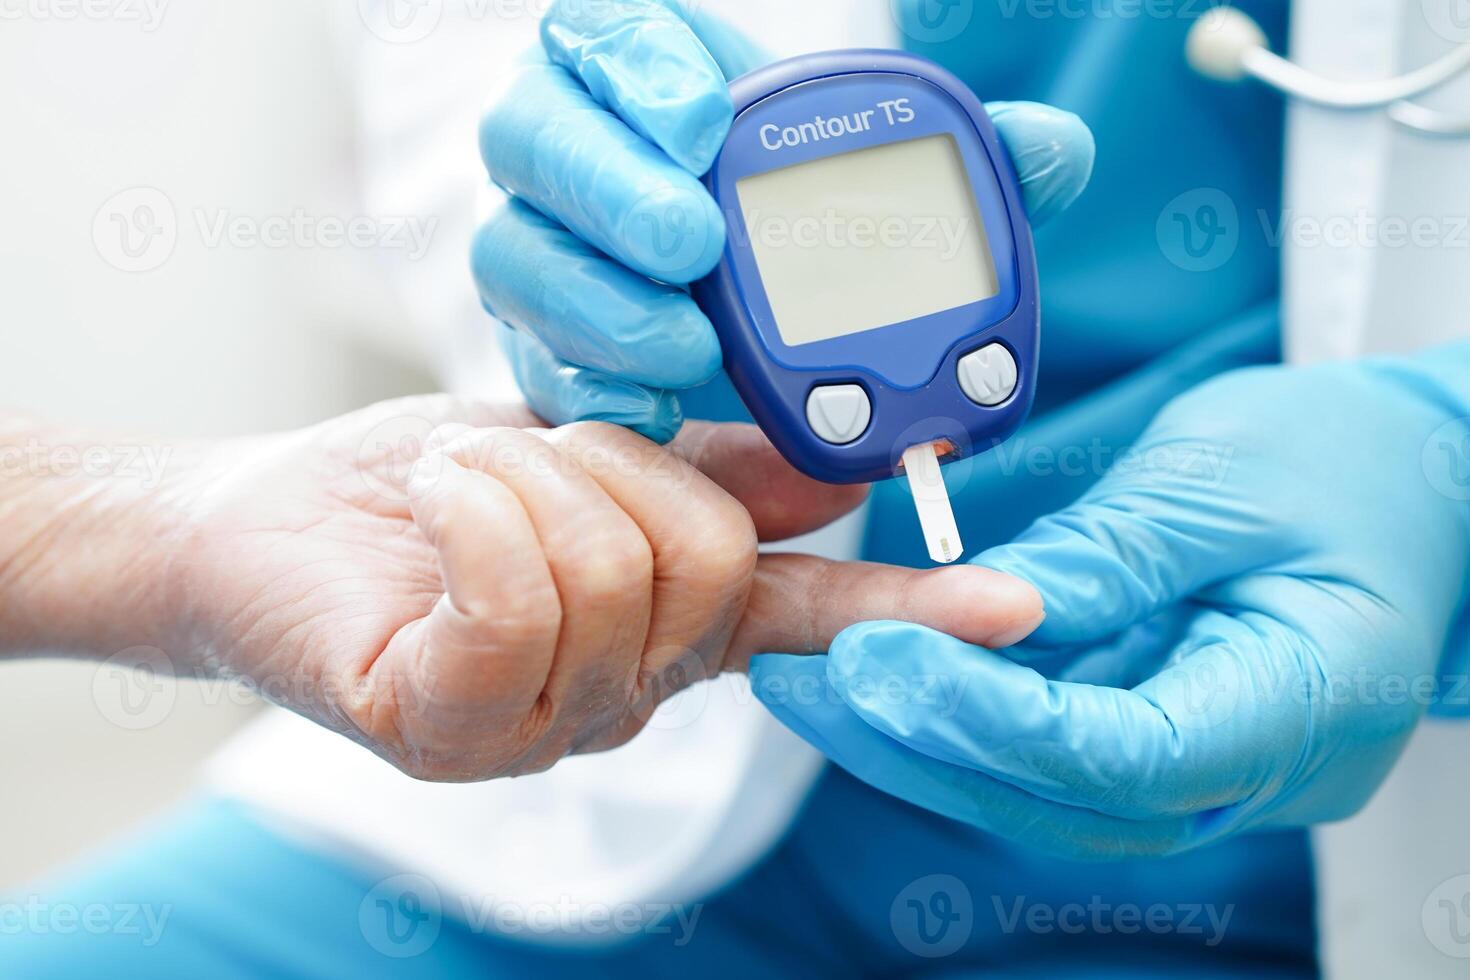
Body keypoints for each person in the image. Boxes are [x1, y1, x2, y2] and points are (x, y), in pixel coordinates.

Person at [5, 1, 1469, 977]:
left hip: (1333, 864)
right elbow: (476, 61)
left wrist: (1443, 467)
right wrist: (580, 238)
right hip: (640, 784)